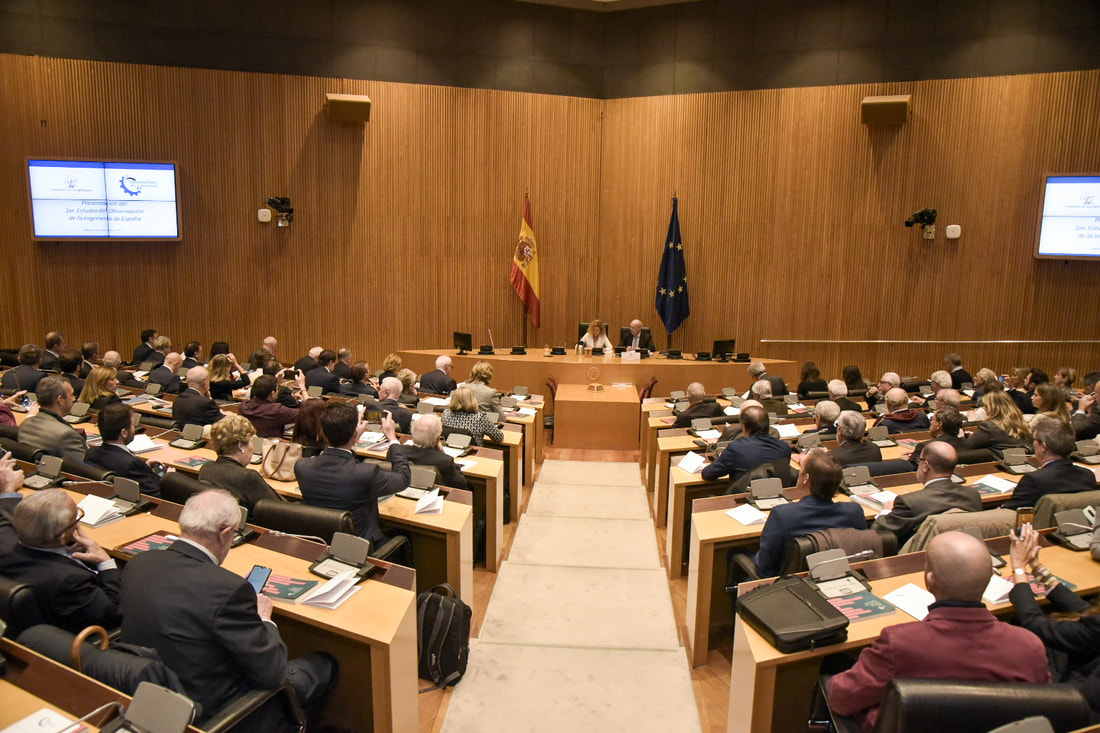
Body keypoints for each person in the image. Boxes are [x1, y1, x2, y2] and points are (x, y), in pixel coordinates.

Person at [119, 490, 337, 725]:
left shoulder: (139, 563)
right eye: (235, 533)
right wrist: (263, 618)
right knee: (323, 664)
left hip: (149, 697)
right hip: (213, 713)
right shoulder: (228, 591)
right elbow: (272, 672)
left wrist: (232, 592)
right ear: (224, 534)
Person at [827, 531, 1050, 732]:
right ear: (989, 579)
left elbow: (842, 698)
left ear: (929, 579)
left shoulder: (900, 643)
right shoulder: (1030, 646)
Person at [0, 488, 122, 633]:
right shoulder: (70, 581)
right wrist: (105, 563)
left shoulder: (4, 542)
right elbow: (112, 613)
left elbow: (5, 518)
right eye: (76, 519)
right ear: (63, 536)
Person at [1009, 523, 1100, 715]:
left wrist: (1018, 569)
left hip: (1079, 704)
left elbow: (1034, 623)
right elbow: (1087, 611)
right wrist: (1037, 567)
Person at [296, 402, 410, 545]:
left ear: (323, 432)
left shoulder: (302, 466)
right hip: (360, 548)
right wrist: (393, 439)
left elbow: (343, 461)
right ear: (355, 433)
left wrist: (353, 438)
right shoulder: (366, 473)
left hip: (320, 543)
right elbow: (404, 478)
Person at [752, 452, 865, 578]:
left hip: (792, 585)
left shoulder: (783, 515)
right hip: (840, 578)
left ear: (806, 478)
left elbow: (764, 567)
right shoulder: (854, 511)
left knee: (736, 553)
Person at [872, 442, 980, 545]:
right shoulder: (973, 494)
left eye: (919, 460)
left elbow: (878, 533)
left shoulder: (909, 502)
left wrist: (886, 511)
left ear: (925, 466)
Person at [1003, 416, 1097, 510]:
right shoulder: (1087, 475)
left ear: (1043, 446)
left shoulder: (1033, 480)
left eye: (1034, 440)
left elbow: (1009, 511)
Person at [198, 414, 282, 516]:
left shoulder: (206, 468)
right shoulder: (248, 477)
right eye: (252, 442)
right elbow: (281, 510)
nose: (254, 449)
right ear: (240, 445)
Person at [85, 403, 164, 497]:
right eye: (133, 425)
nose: (135, 429)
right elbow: (157, 496)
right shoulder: (131, 464)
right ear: (124, 433)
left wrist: (144, 467)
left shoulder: (91, 453)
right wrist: (168, 480)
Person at [701, 405, 791, 483]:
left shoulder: (736, 448)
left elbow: (708, 474)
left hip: (743, 498)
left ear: (743, 427)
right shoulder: (784, 448)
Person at [18, 376, 86, 462]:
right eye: (71, 395)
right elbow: (82, 470)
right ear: (60, 400)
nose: (74, 399)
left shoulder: (25, 423)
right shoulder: (67, 435)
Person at [397, 413, 467, 490]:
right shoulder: (444, 460)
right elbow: (461, 484)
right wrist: (442, 453)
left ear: (413, 433)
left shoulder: (397, 452)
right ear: (437, 438)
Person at [964, 390, 1032, 454]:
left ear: (991, 408)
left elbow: (967, 447)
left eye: (985, 406)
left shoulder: (988, 427)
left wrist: (961, 437)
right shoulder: (1023, 423)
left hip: (996, 464)